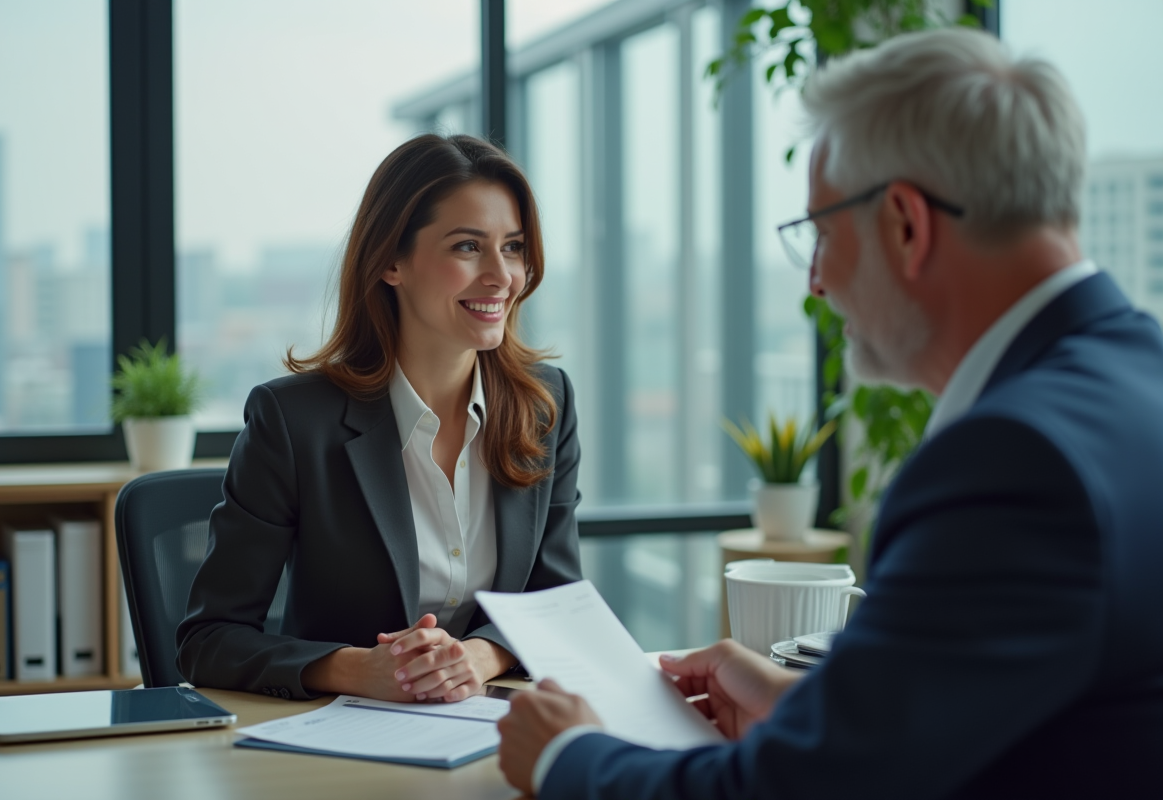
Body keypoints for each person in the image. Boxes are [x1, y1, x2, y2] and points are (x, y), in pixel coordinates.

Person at [496, 28, 1163, 799]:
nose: (815, 281)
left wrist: (567, 757)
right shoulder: (1136, 374)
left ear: (906, 225)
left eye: (820, 233)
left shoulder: (1011, 461)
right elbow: (1011, 706)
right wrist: (809, 705)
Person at [176, 134, 582, 704]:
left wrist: (478, 656)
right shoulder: (294, 423)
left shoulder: (545, 405)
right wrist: (356, 669)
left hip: (492, 731)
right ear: (392, 260)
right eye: (468, 247)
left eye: (512, 247)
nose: (501, 275)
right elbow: (208, 640)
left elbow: (558, 601)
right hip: (341, 744)